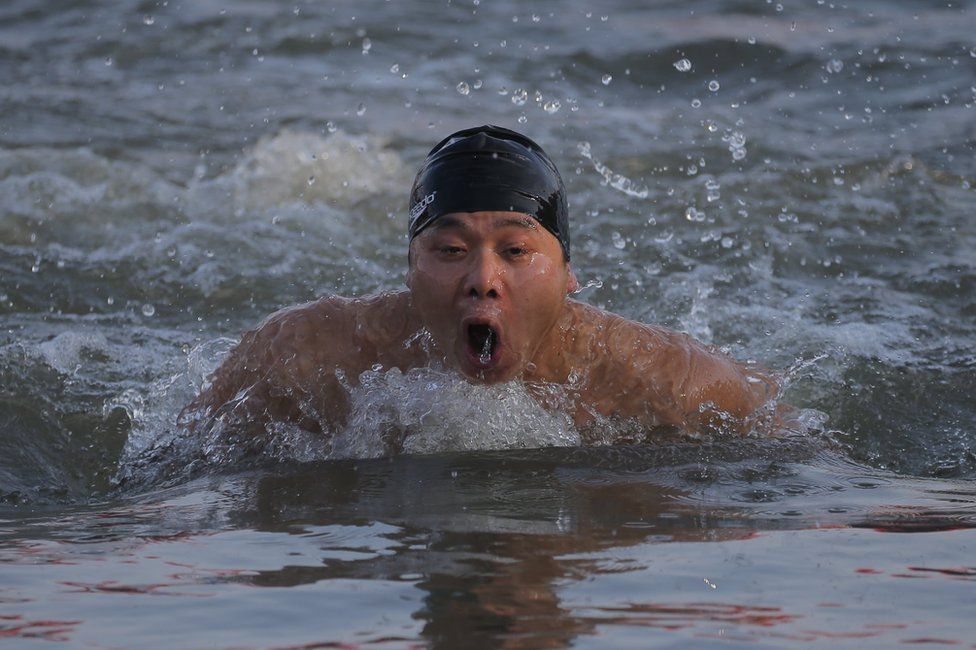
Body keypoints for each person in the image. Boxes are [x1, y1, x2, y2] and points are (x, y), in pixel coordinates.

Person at [182, 125, 779, 446]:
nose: (482, 282)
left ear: (569, 272)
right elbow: (170, 467)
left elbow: (794, 458)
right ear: (410, 271)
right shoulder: (302, 355)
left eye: (517, 251)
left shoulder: (668, 380)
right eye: (449, 251)